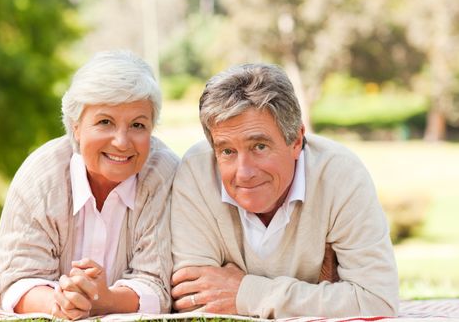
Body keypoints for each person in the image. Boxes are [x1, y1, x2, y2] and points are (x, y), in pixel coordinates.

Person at [170, 63, 399, 318]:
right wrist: (320, 298)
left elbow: (377, 300)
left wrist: (247, 294)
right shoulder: (197, 171)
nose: (244, 172)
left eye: (259, 146)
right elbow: (193, 299)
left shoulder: (340, 175)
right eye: (227, 151)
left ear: (297, 140)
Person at [0, 51, 179, 319]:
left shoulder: (165, 177)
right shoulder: (39, 178)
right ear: (76, 126)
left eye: (138, 125)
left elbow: (158, 285)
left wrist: (107, 300)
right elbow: (16, 279)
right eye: (105, 122)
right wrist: (59, 303)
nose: (122, 142)